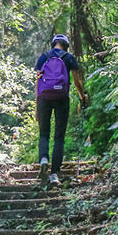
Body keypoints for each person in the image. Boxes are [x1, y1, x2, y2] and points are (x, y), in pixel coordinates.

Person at [33, 34, 89, 186]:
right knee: (59, 137)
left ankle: (44, 158)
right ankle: (54, 174)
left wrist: (37, 106)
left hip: (44, 98)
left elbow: (37, 82)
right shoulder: (69, 58)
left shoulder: (43, 57)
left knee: (44, 133)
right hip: (61, 99)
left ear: (53, 45)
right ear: (66, 45)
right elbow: (77, 80)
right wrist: (82, 96)